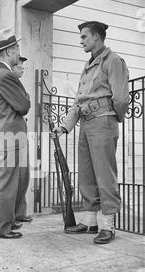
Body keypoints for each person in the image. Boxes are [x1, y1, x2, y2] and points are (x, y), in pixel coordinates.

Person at [53, 21, 130, 244]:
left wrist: (113, 117)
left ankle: (107, 225)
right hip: (86, 123)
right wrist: (65, 126)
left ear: (96, 37)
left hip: (103, 121)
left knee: (104, 175)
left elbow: (121, 98)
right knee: (86, 173)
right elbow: (78, 101)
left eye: (84, 37)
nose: (81, 41)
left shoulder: (113, 61)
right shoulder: (88, 66)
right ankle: (89, 222)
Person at [0, 27, 31, 239]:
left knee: (9, 182)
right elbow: (23, 105)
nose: (18, 52)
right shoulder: (5, 75)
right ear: (10, 51)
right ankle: (0, 227)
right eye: (17, 48)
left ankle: (6, 222)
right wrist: (26, 96)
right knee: (5, 183)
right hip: (9, 136)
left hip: (2, 135)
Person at [11, 56, 33, 224]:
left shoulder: (18, 84)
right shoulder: (11, 84)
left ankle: (20, 212)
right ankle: (12, 213)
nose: (23, 68)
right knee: (14, 177)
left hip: (21, 134)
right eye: (20, 66)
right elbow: (24, 105)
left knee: (23, 176)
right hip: (12, 135)